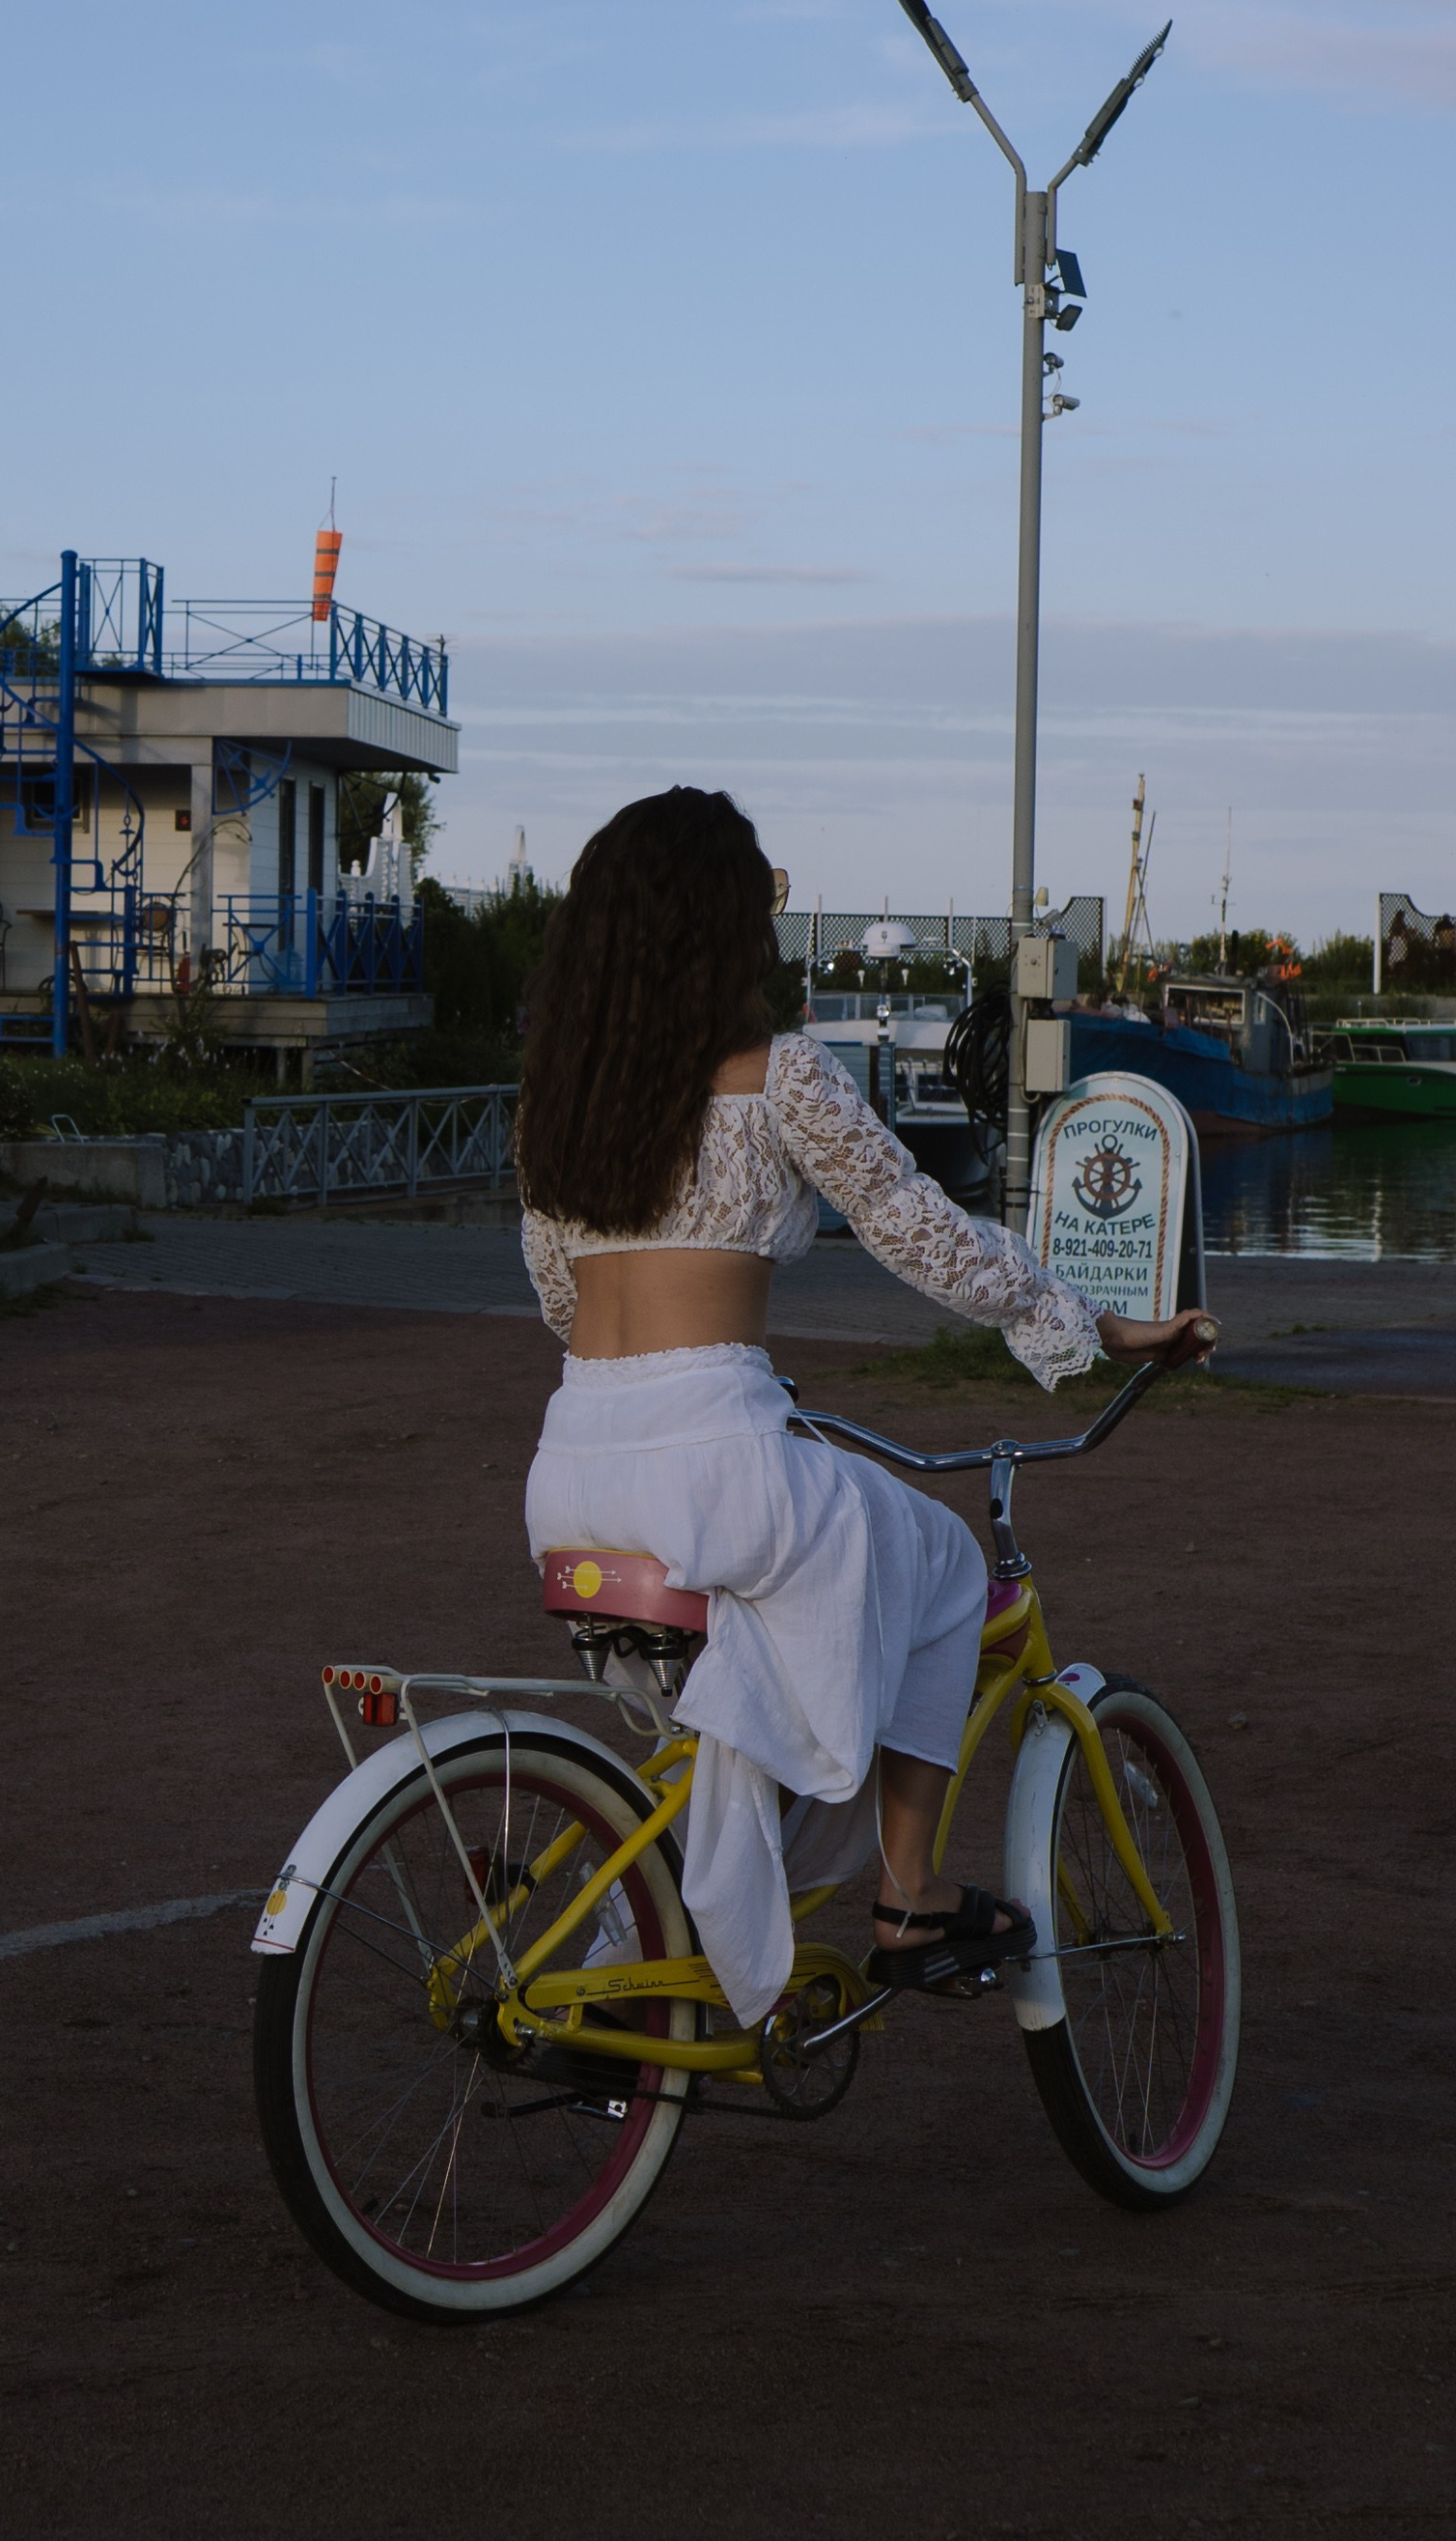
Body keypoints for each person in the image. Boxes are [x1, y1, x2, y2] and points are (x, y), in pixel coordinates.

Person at [516, 787, 1217, 2030]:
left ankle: (659, 1921)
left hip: (571, 1461)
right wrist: (1093, 1326)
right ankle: (906, 1896)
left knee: (756, 1651)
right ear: (723, 931)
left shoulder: (557, 1109)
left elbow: (560, 1299)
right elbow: (927, 1239)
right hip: (713, 1457)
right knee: (946, 1567)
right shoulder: (782, 1077)